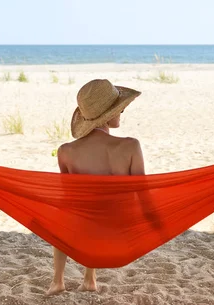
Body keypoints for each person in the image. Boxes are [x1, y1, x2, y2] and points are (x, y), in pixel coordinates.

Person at [46, 79, 145, 295]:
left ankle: (57, 281)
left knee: (64, 216)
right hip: (118, 225)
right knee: (92, 211)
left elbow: (69, 198)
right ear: (109, 115)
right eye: (120, 109)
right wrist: (154, 224)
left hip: (84, 222)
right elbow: (143, 193)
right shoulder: (130, 146)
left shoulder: (65, 151)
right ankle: (89, 279)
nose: (122, 113)